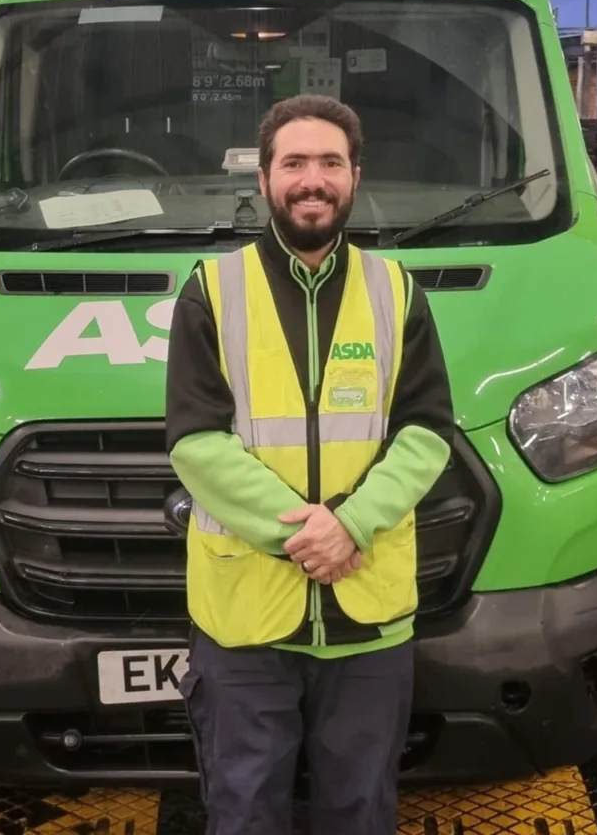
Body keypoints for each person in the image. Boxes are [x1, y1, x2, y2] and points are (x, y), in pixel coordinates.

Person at [165, 94, 455, 835]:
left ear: (355, 176)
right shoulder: (211, 291)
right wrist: (307, 533)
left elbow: (426, 432)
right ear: (263, 180)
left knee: (360, 812)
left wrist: (351, 526)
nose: (312, 179)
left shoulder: (398, 295)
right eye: (294, 162)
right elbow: (196, 442)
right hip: (247, 626)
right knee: (244, 814)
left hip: (368, 620)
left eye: (330, 162)